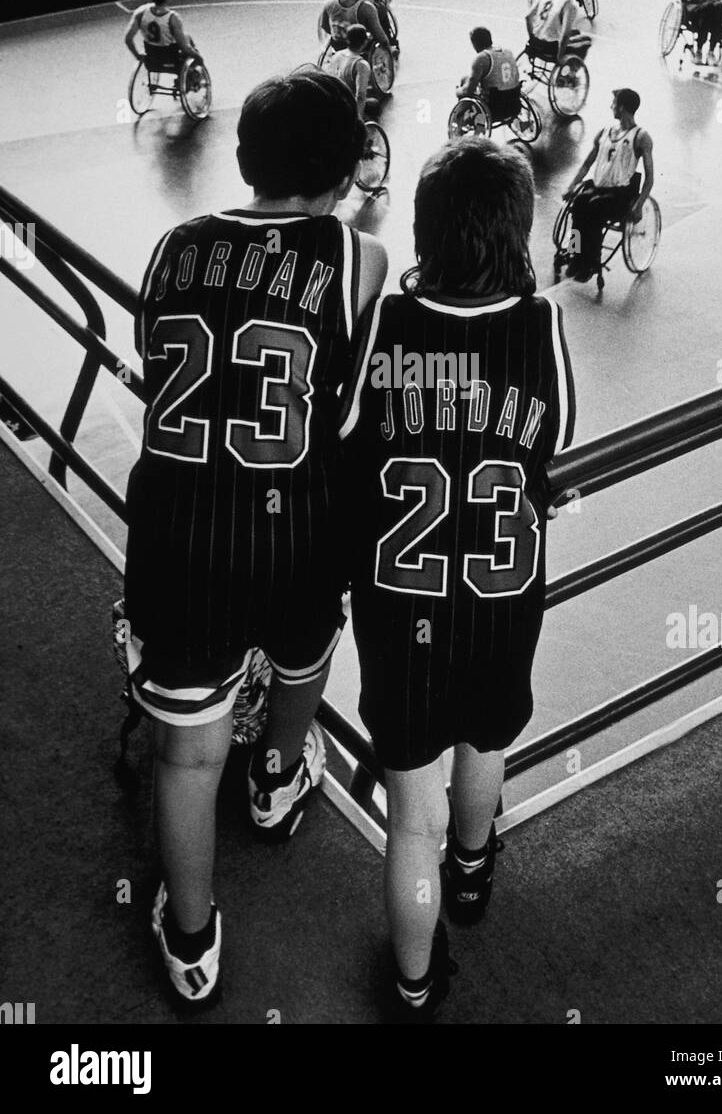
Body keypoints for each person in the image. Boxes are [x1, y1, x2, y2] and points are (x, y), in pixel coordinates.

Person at [122, 69, 388, 1006]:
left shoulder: (173, 244)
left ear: (241, 159)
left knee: (187, 751)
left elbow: (160, 364)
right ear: (351, 172)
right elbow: (347, 411)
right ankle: (276, 777)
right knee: (306, 646)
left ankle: (192, 941)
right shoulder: (359, 258)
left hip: (180, 529)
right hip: (296, 526)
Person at [339, 137, 575, 1020]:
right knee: (487, 739)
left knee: (409, 815)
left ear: (424, 229)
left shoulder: (386, 327)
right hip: (500, 602)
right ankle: (473, 874)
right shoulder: (540, 324)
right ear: (517, 232)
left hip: (399, 609)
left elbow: (348, 439)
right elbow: (557, 440)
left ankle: (413, 985)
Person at [560, 88, 655, 283]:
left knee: (594, 209)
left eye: (614, 103)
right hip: (598, 188)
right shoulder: (604, 132)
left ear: (622, 107)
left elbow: (650, 177)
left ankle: (591, 263)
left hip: (621, 195)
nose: (611, 107)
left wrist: (639, 205)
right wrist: (571, 186)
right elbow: (586, 164)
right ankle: (575, 256)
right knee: (578, 205)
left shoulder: (641, 136)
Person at [124, 0, 203, 73]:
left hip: (151, 61)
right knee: (187, 40)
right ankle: (192, 76)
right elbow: (184, 48)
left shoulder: (141, 13)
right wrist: (198, 57)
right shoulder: (173, 18)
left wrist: (137, 56)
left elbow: (128, 39)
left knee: (186, 37)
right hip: (172, 61)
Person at [525, 0, 592, 63]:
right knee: (586, 40)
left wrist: (532, 39)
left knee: (576, 33)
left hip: (536, 43)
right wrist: (560, 57)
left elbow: (527, 17)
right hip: (552, 47)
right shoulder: (568, 5)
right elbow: (565, 35)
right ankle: (571, 73)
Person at [457, 27, 521, 123]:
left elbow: (469, 90)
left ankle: (461, 122)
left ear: (474, 43)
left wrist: (459, 91)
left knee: (464, 87)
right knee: (466, 79)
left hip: (494, 110)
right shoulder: (508, 52)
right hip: (514, 105)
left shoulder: (481, 59)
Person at [318, 0, 389, 53]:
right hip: (358, 46)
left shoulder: (330, 0)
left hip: (337, 44)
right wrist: (387, 45)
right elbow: (379, 34)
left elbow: (324, 25)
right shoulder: (366, 8)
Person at [326, 23, 371, 118]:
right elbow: (360, 96)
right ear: (364, 42)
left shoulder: (337, 55)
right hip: (347, 106)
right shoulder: (361, 65)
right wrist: (358, 119)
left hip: (332, 101)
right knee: (375, 104)